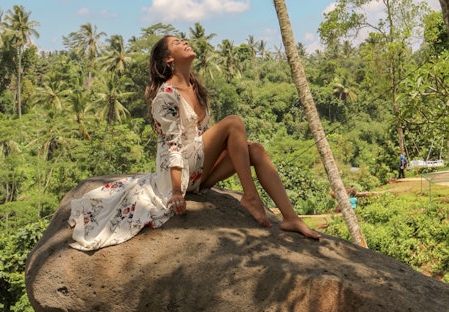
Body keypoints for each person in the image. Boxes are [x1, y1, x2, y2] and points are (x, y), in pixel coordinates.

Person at [69, 36, 319, 251]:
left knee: (256, 150)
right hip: (178, 173)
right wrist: (176, 191)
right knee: (233, 122)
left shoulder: (194, 87)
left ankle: (290, 217)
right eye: (178, 43)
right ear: (168, 59)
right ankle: (251, 196)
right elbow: (172, 145)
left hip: (198, 168)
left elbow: (203, 137)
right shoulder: (165, 96)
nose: (185, 42)